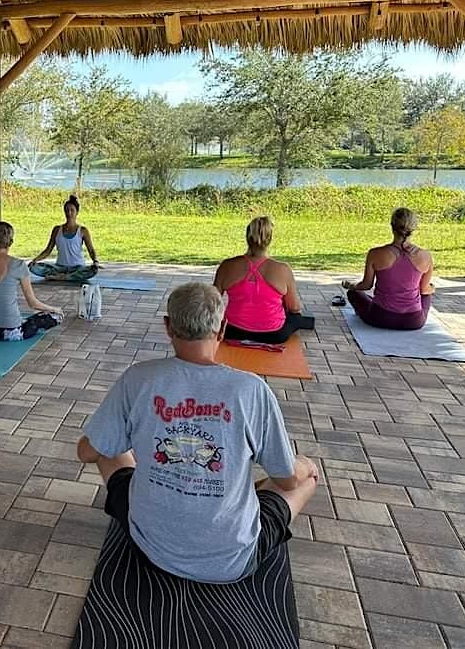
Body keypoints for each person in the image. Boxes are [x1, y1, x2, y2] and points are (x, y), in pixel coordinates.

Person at [76, 282, 318, 586]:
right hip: (231, 561)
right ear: (223, 327)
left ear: (168, 326)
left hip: (150, 547)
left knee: (106, 444)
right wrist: (305, 463)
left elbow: (87, 452)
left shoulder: (138, 378)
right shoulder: (251, 390)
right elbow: (287, 479)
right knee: (304, 479)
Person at [214, 216, 313, 344]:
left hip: (232, 330)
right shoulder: (283, 269)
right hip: (274, 334)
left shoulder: (227, 265)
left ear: (247, 238)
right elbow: (294, 307)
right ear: (269, 239)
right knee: (296, 318)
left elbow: (212, 301)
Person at [0, 221, 63, 341]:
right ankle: (23, 323)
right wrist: (55, 309)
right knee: (56, 316)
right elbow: (33, 303)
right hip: (12, 332)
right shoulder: (19, 265)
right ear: (11, 242)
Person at [342, 207, 434, 330]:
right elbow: (424, 290)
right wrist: (432, 288)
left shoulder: (375, 253)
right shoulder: (426, 256)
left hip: (380, 317)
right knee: (427, 293)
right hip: (413, 322)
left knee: (353, 294)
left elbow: (366, 285)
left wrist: (351, 286)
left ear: (392, 226)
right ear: (414, 228)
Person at [29, 194, 100, 281]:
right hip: (59, 267)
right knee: (34, 268)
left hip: (77, 268)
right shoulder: (57, 229)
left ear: (77, 212)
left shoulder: (83, 230)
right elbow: (48, 250)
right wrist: (34, 260)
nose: (69, 213)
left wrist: (95, 261)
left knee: (92, 271)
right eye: (66, 210)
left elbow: (91, 250)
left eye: (72, 210)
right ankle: (67, 277)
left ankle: (63, 277)